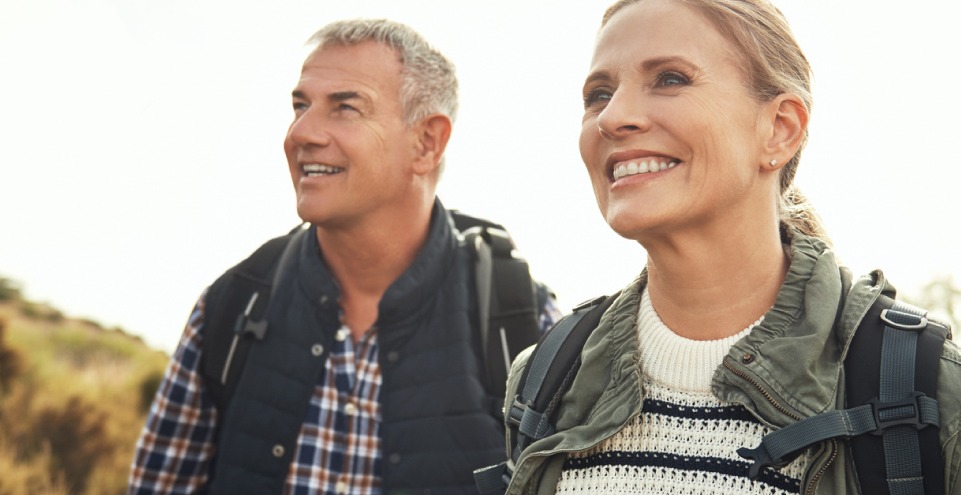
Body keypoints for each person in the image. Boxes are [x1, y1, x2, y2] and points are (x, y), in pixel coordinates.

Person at [486, 0, 961, 494]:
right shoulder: (544, 378)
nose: (614, 117)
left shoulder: (929, 392)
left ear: (779, 129)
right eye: (599, 94)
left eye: (670, 78)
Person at [128, 19, 560, 495]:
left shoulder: (526, 326)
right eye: (300, 106)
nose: (301, 133)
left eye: (345, 108)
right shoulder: (232, 304)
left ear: (427, 142)